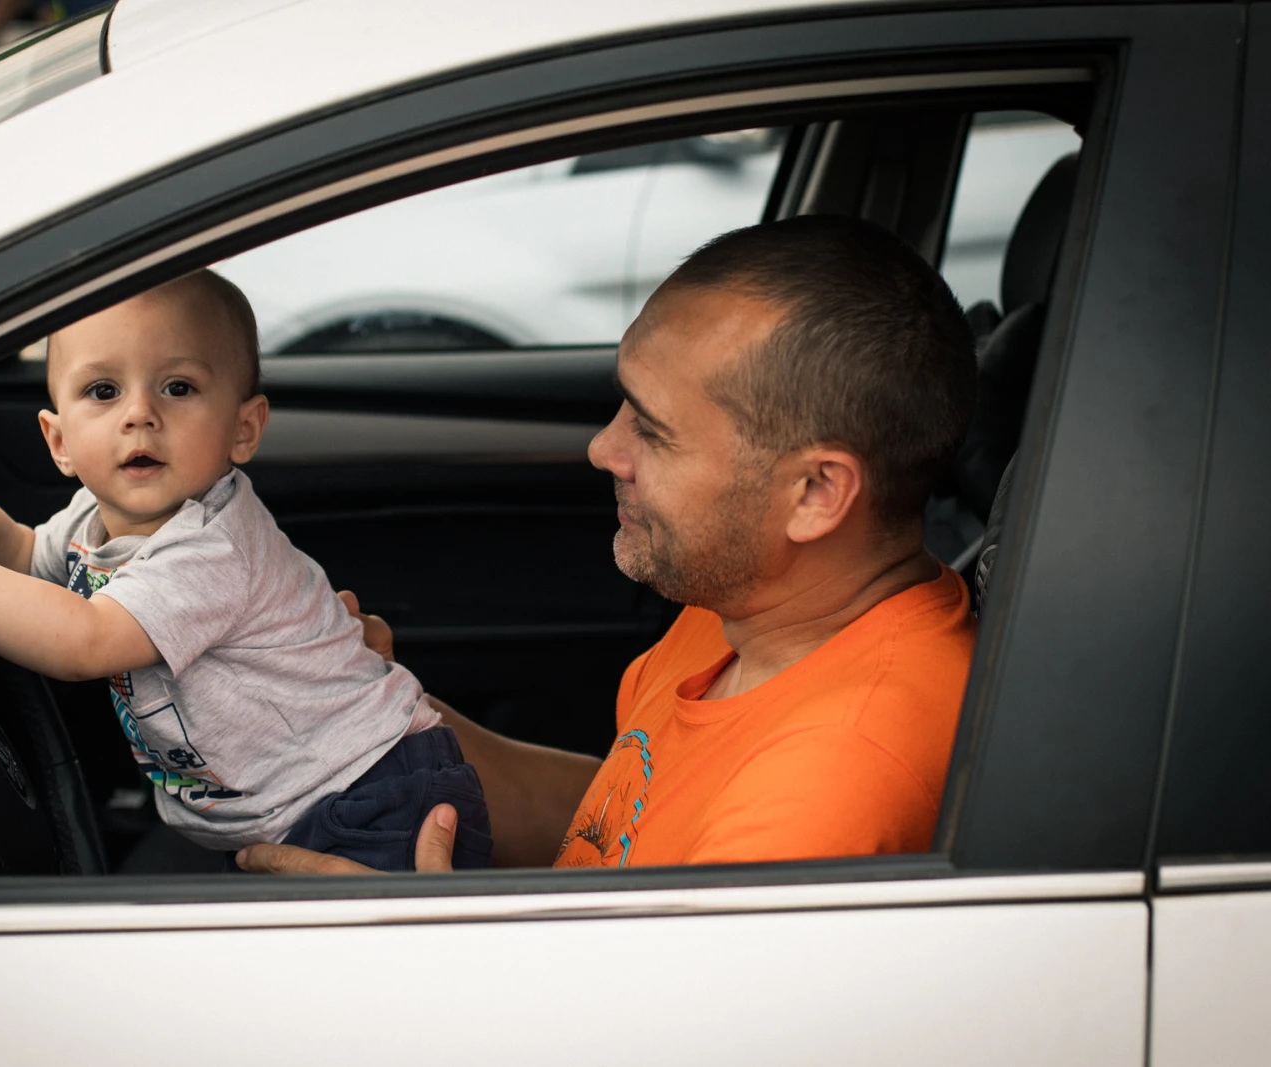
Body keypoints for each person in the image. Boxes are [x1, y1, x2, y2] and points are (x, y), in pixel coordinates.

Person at [237, 214, 979, 874]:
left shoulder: (832, 778)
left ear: (816, 494)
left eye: (652, 430)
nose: (603, 447)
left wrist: (416, 938)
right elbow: (614, 827)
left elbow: (655, 1029)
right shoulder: (758, 607)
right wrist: (372, 715)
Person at [0, 269, 492, 871]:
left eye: (177, 386)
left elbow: (83, 639)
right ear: (58, 440)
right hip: (293, 802)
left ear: (243, 430)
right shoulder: (94, 520)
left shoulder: (212, 545)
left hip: (369, 801)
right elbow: (42, 567)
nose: (140, 414)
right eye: (104, 390)